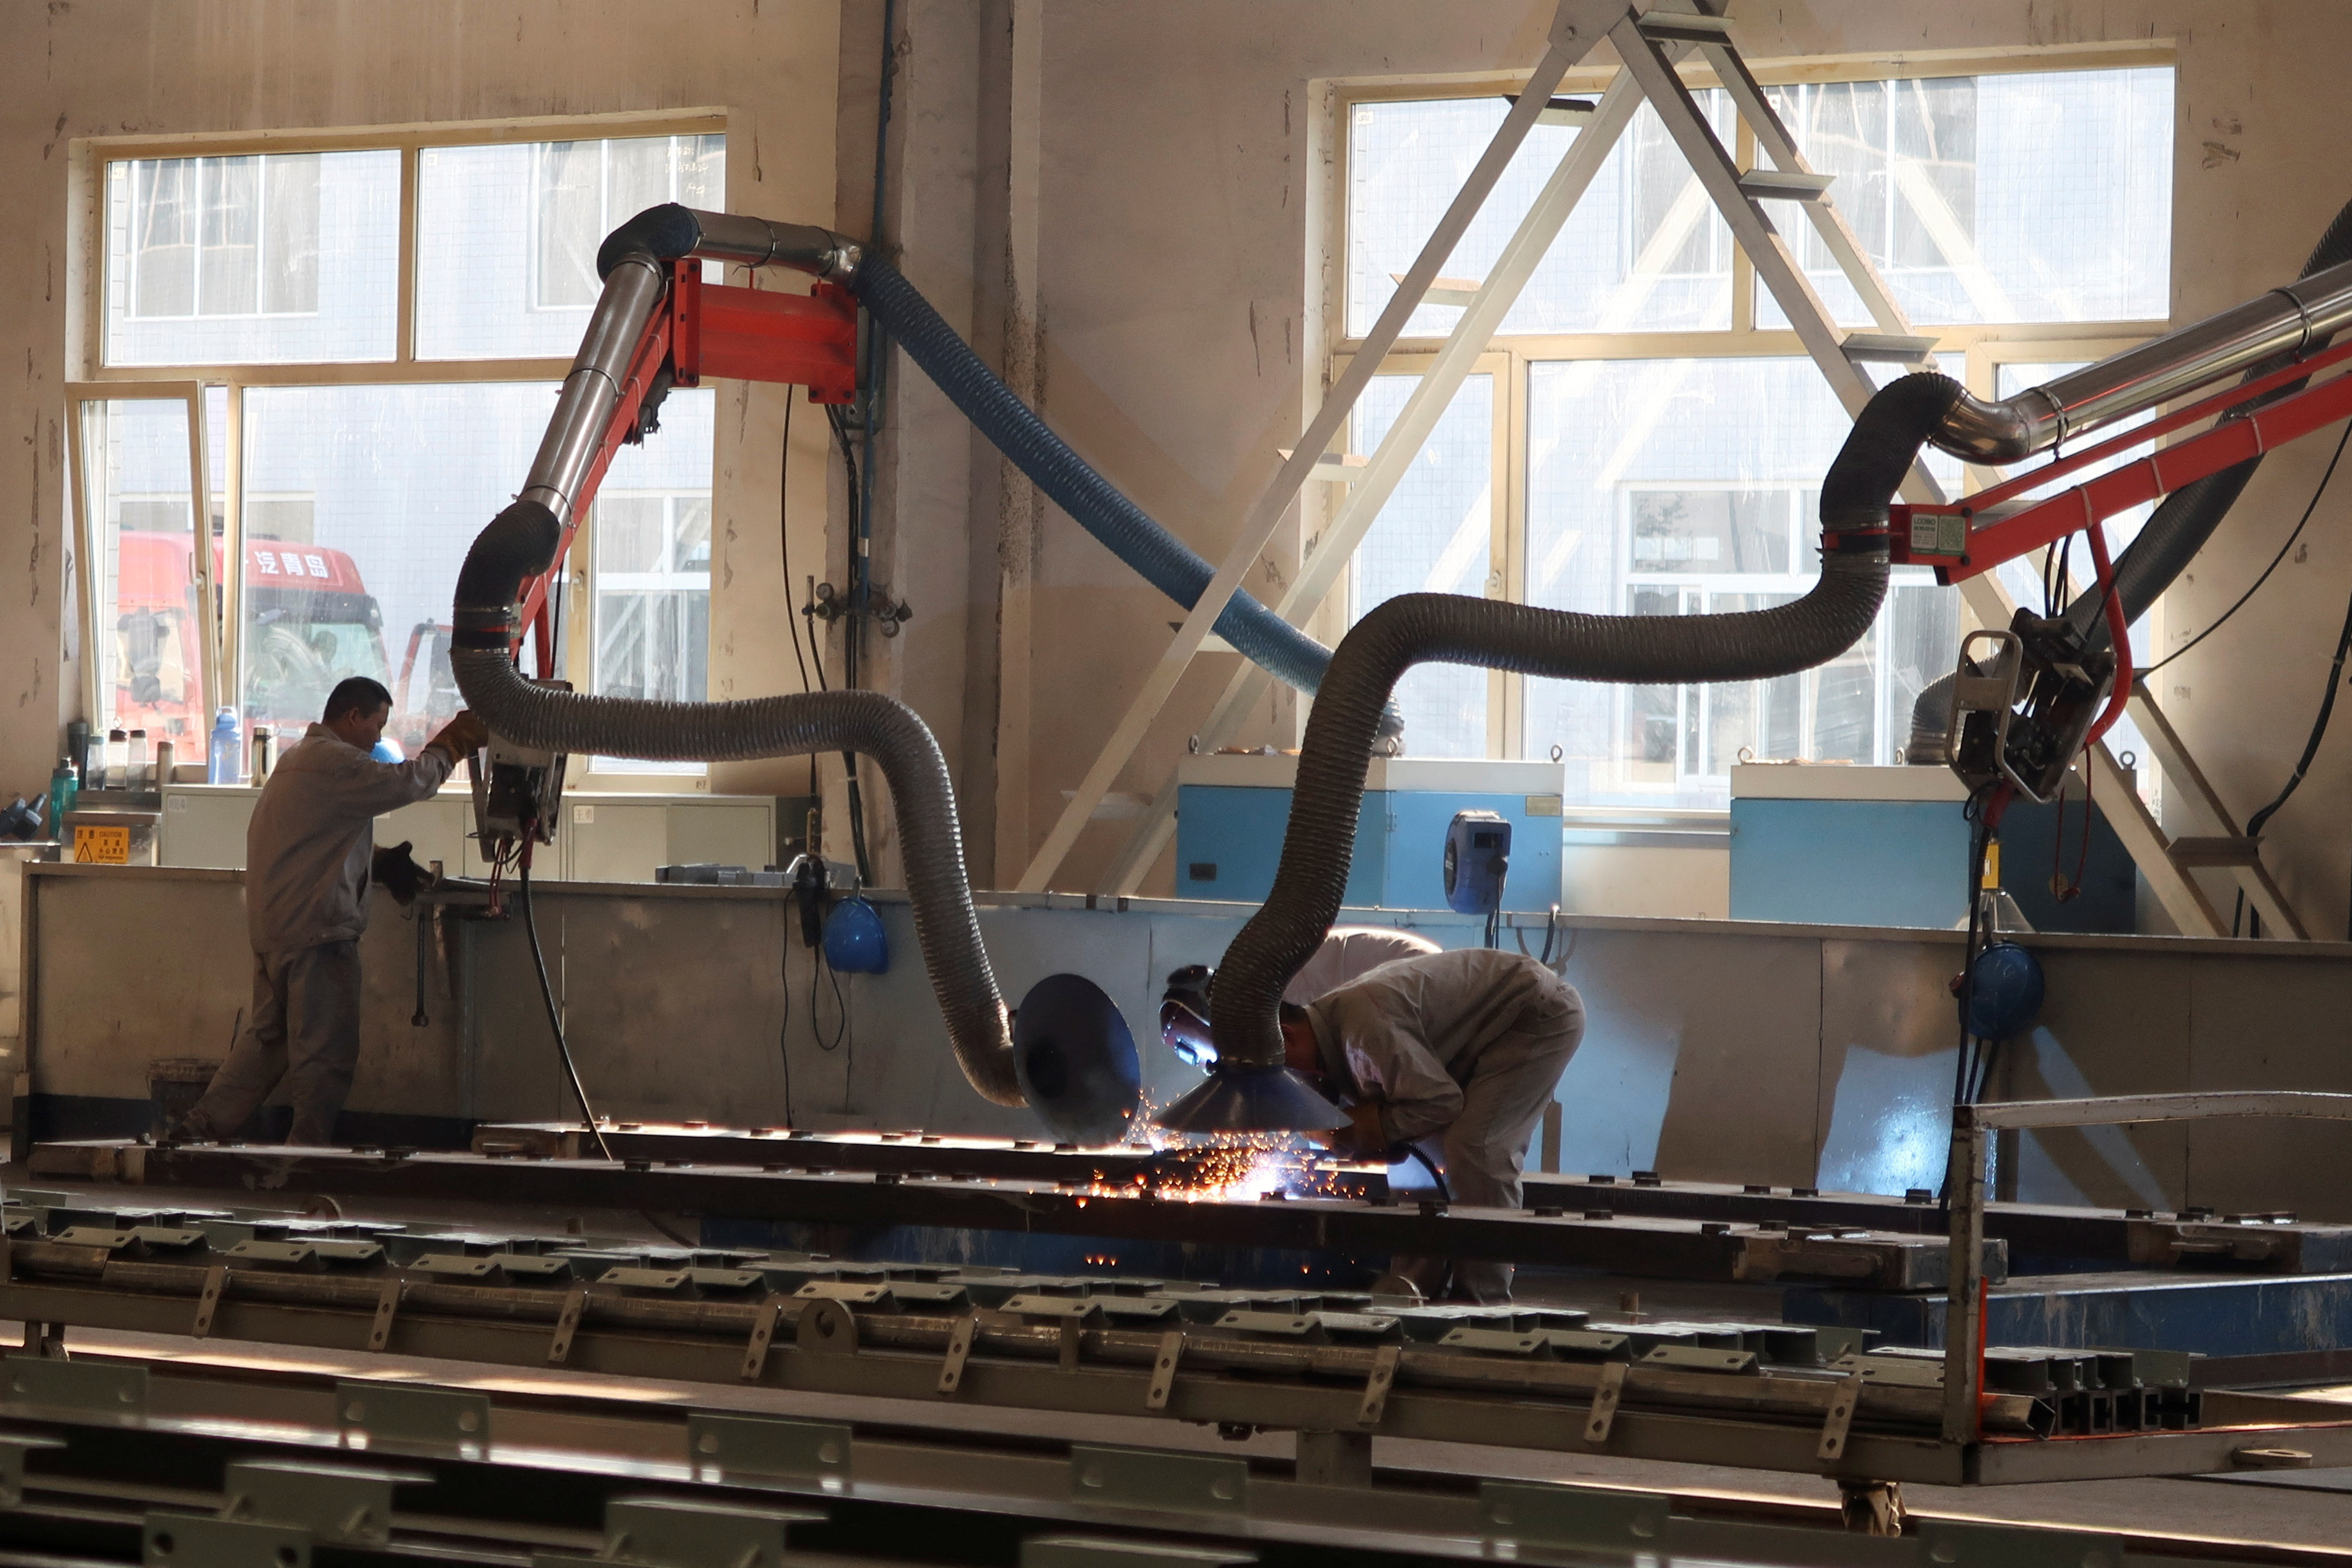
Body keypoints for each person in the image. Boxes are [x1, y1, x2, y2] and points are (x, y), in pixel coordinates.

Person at [174, 678, 486, 1146]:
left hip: (276, 928)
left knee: (268, 1043)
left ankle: (197, 1130)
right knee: (326, 1054)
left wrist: (375, 861)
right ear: (353, 717)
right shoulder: (336, 762)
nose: (378, 739)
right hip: (319, 933)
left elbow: (311, 837)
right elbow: (410, 782)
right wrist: (455, 741)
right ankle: (306, 1154)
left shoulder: (297, 759)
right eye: (377, 725)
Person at [1285, 947, 1583, 1303]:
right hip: (1481, 1034)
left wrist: (1369, 1129)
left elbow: (1440, 1102)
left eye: (1284, 1065)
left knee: (1478, 1148)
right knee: (1415, 1159)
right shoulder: (1336, 1027)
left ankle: (1483, 1303)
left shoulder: (1363, 1032)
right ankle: (1411, 1293)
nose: (1292, 1076)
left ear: (1287, 1035)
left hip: (1535, 1015)